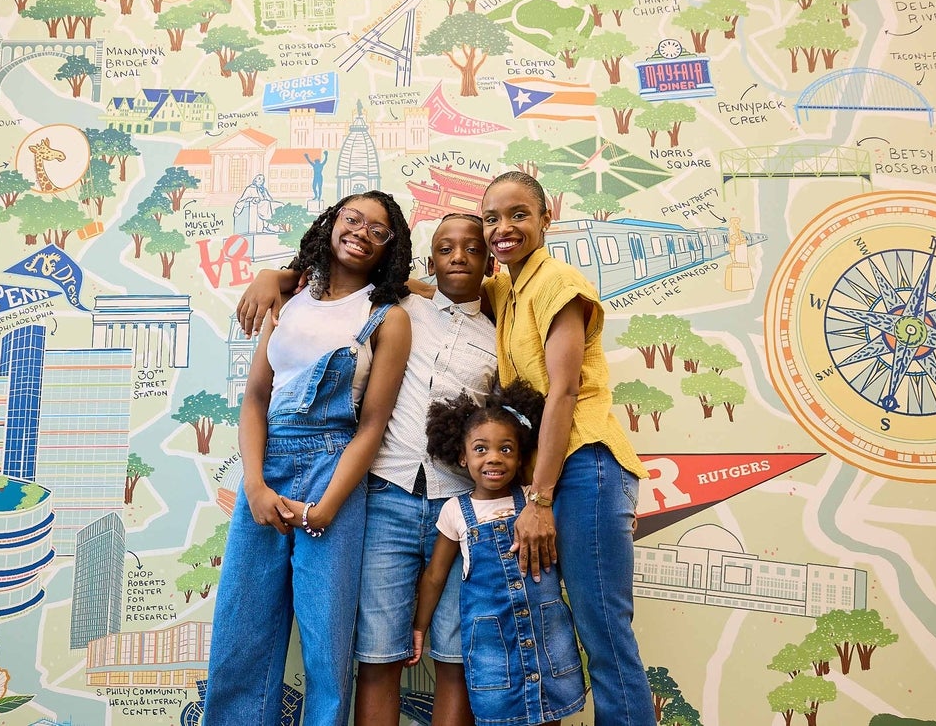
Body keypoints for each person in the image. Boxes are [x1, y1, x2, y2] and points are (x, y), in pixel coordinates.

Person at [237, 213, 498, 726]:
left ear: (490, 262)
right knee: (376, 656)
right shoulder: (401, 307)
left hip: (457, 502)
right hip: (387, 494)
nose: (459, 257)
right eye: (445, 249)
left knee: (455, 657)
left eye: (472, 249)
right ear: (428, 260)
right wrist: (277, 275)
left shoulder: (497, 334)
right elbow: (344, 274)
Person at [205, 191, 413, 726]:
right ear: (332, 222)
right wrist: (252, 484)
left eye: (379, 230)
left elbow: (372, 427)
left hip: (334, 473)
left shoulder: (386, 316)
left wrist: (325, 507)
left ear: (390, 247)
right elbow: (255, 398)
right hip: (269, 465)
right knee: (241, 627)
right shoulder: (288, 299)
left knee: (327, 642)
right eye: (353, 219)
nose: (362, 232)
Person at [477, 171, 655, 725]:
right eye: (491, 219)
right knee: (580, 630)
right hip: (560, 473)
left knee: (604, 634)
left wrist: (540, 500)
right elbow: (439, 282)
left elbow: (565, 392)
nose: (503, 228)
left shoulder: (558, 282)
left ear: (546, 219)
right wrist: (293, 274)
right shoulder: (509, 286)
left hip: (585, 466)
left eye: (518, 215)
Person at [408, 379, 585, 726]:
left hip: (546, 635)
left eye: (506, 449)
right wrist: (419, 626)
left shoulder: (536, 504)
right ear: (462, 455)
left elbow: (574, 535)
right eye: (481, 449)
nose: (494, 458)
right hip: (494, 646)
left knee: (550, 711)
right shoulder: (455, 512)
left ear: (520, 457)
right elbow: (435, 575)